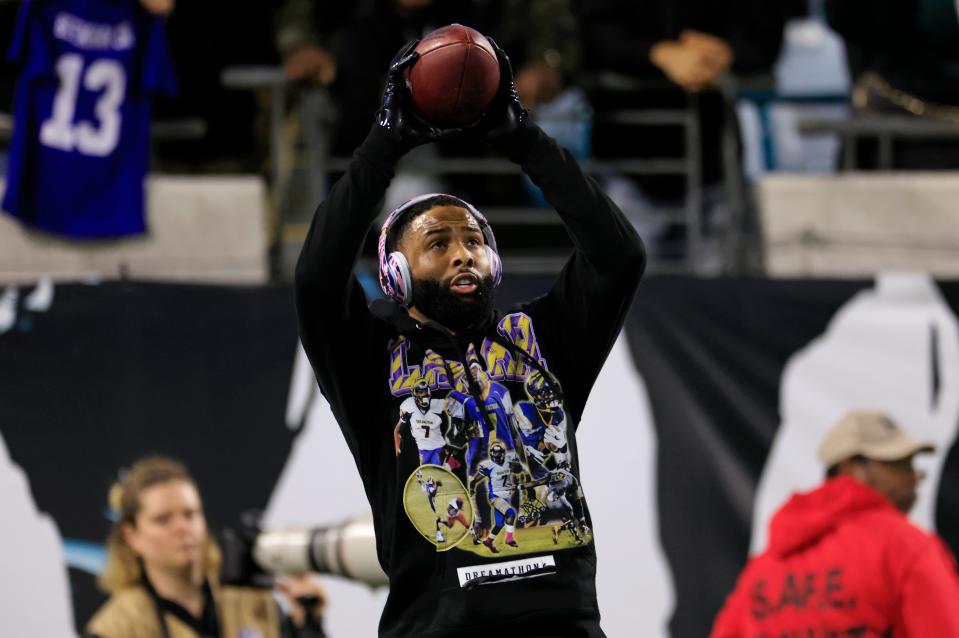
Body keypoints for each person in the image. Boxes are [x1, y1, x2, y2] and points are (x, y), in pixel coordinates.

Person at [294, 31, 644, 638]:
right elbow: (318, 281)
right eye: (438, 243)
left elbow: (619, 258)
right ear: (396, 274)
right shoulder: (371, 355)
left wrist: (522, 138)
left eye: (475, 241)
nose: (463, 255)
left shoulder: (542, 337)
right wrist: (386, 143)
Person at [710, 410, 959, 637]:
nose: (914, 477)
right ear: (852, 467)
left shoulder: (763, 570)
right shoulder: (905, 546)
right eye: (899, 464)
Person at [85, 456, 328, 638]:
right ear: (131, 536)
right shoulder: (117, 627)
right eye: (163, 519)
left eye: (190, 514)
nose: (183, 528)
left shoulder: (251, 600)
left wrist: (307, 626)